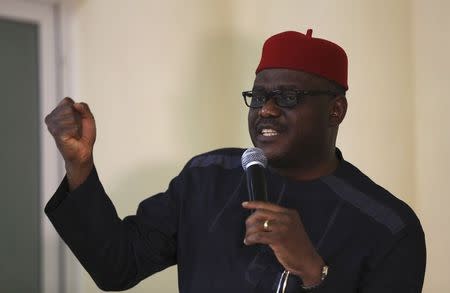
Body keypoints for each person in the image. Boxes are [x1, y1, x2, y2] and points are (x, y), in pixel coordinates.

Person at [44, 30, 426, 292]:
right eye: (258, 97)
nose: (268, 111)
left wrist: (313, 272)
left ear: (336, 111)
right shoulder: (207, 178)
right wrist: (80, 164)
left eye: (288, 98)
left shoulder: (389, 226)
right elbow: (117, 266)